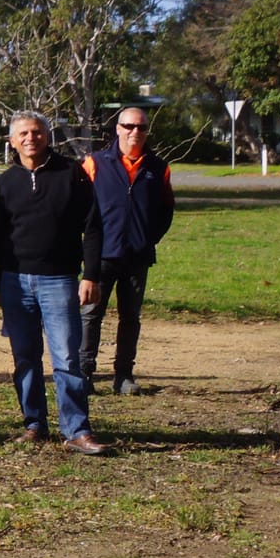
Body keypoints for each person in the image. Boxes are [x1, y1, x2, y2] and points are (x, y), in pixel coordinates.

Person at [0, 112, 108, 455]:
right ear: (12, 141)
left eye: (37, 132)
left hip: (60, 280)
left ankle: (76, 430)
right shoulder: (6, 183)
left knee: (67, 358)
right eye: (23, 133)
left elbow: (94, 226)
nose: (30, 138)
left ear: (48, 136)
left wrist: (91, 275)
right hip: (15, 282)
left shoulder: (71, 174)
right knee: (25, 358)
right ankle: (34, 424)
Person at [80, 105, 175, 396]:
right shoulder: (95, 163)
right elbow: (80, 208)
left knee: (130, 317)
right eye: (129, 126)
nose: (135, 132)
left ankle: (123, 375)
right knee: (90, 315)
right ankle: (83, 374)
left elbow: (165, 212)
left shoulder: (158, 168)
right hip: (101, 256)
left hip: (137, 256)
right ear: (117, 129)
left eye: (142, 128)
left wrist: (146, 239)